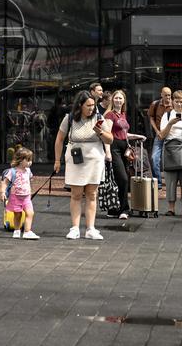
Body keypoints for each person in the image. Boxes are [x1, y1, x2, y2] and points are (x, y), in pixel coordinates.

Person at [54, 91, 113, 240]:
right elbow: (59, 139)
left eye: (93, 105)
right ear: (80, 105)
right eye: (88, 105)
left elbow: (110, 140)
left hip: (95, 160)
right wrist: (57, 160)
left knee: (92, 194)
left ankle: (90, 228)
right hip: (76, 159)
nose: (92, 108)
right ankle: (74, 228)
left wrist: (100, 133)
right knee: (76, 194)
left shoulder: (99, 118)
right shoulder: (69, 119)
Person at [104, 89, 132, 220]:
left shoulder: (123, 115)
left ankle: (117, 208)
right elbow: (107, 134)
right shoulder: (110, 115)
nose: (118, 100)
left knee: (122, 179)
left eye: (121, 98)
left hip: (124, 148)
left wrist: (138, 137)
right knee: (123, 178)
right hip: (114, 147)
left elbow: (124, 133)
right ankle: (124, 209)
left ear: (124, 100)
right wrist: (108, 152)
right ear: (112, 100)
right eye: (116, 98)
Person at [0, 146, 39, 240]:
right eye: (28, 160)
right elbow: (5, 182)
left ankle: (27, 231)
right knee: (18, 214)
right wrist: (2, 192)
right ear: (21, 160)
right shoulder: (12, 171)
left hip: (26, 197)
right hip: (15, 197)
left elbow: (30, 180)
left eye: (31, 160)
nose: (30, 162)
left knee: (30, 213)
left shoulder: (28, 171)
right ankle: (17, 231)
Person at [148, 87, 173, 188]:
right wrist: (156, 131)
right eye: (166, 95)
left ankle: (172, 182)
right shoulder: (155, 104)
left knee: (172, 159)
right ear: (161, 94)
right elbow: (151, 118)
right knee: (154, 158)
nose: (168, 97)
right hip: (159, 135)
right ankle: (158, 182)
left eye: (169, 95)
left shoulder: (174, 105)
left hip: (171, 136)